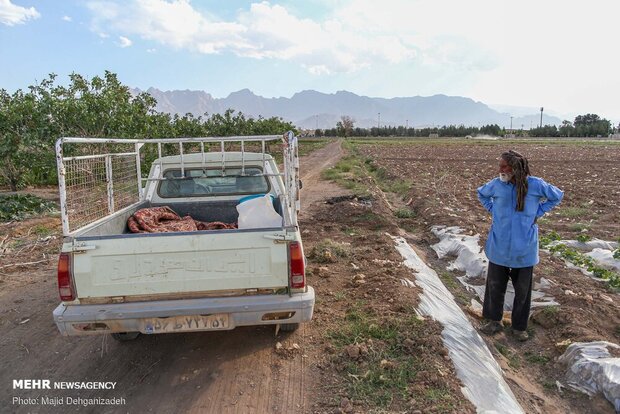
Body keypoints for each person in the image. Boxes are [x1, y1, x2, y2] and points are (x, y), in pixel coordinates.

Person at [477, 150, 563, 341]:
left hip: (524, 247)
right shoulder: (498, 185)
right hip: (500, 244)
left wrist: (538, 212)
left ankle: (519, 327)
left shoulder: (535, 185)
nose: (500, 170)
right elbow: (481, 194)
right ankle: (494, 321)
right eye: (499, 166)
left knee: (522, 289)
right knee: (495, 285)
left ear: (515, 168)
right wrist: (493, 210)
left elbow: (557, 196)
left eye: (504, 167)